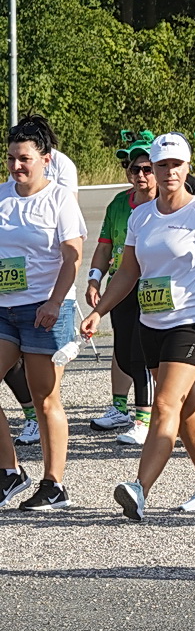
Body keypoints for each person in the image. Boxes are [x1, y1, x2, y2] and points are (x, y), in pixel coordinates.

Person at [87, 133, 195, 520]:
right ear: (153, 170)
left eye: (176, 164)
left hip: (192, 324)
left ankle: (139, 488)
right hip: (151, 324)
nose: (169, 171)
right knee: (186, 407)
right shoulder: (141, 216)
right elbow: (128, 272)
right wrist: (100, 311)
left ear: (187, 167)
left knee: (164, 404)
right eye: (162, 165)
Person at [0, 116, 86, 510]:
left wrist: (54, 302)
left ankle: (54, 485)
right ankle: (11, 471)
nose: (17, 166)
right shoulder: (2, 196)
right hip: (4, 308)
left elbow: (73, 256)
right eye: (12, 158)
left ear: (45, 159)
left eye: (25, 159)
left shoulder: (59, 199)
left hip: (45, 308)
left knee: (44, 398)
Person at [86, 136, 157, 443]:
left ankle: (145, 419)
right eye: (133, 169)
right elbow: (104, 247)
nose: (139, 175)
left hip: (152, 288)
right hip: (121, 286)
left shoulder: (165, 205)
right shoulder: (118, 203)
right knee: (125, 353)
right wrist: (93, 279)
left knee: (142, 354)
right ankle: (127, 410)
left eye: (146, 168)